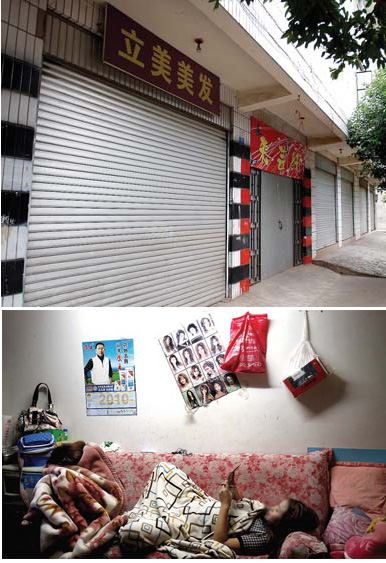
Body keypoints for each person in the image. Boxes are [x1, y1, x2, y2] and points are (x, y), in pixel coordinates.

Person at [213, 479, 320, 556]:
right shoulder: (265, 518)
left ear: (282, 524)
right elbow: (245, 516)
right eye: (277, 505)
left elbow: (220, 543)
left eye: (277, 510)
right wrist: (235, 494)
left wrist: (225, 504)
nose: (272, 508)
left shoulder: (263, 538)